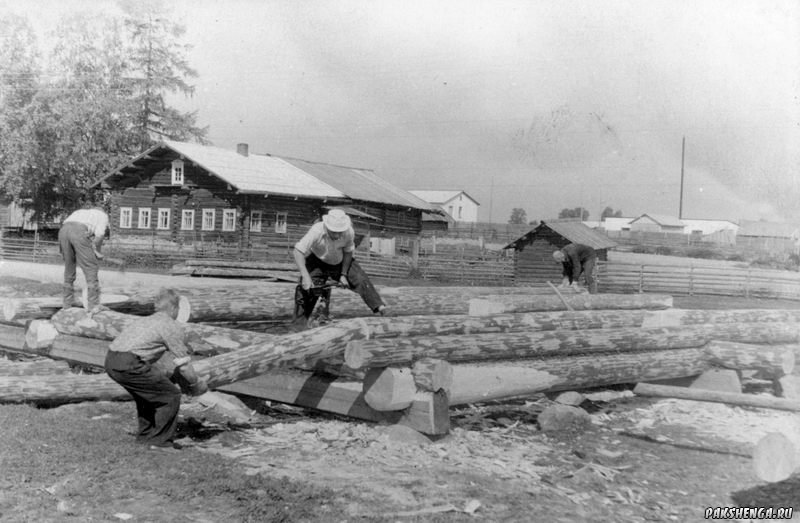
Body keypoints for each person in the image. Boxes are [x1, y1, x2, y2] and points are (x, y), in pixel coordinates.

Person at [105, 288, 207, 450]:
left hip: (111, 360)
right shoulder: (170, 326)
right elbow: (184, 365)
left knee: (147, 397)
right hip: (130, 363)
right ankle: (159, 443)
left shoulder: (146, 320)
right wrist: (196, 385)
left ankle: (145, 437)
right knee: (170, 396)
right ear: (174, 308)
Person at [293, 209, 386, 326]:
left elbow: (348, 253)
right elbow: (298, 251)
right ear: (327, 227)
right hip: (317, 260)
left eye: (340, 232)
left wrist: (343, 275)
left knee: (361, 279)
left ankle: (381, 310)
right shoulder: (316, 230)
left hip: (340, 261)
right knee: (305, 290)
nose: (337, 235)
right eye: (334, 232)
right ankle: (298, 326)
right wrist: (305, 276)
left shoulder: (349, 232)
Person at [58, 206, 109, 312]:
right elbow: (99, 235)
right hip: (79, 231)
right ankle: (93, 305)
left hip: (63, 231)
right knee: (91, 267)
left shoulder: (80, 212)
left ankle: (67, 303)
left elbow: (72, 228)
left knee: (69, 266)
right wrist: (97, 252)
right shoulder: (103, 216)